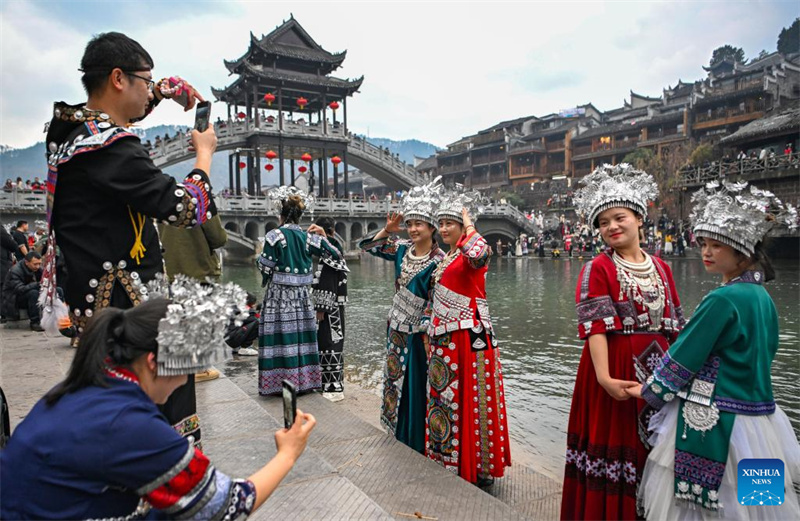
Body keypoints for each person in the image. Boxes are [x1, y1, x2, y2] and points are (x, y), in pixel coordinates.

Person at [0, 281, 316, 520]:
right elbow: (227, 505)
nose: (184, 382)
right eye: (186, 369)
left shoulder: (89, 385)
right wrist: (288, 454)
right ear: (154, 361)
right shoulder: (128, 424)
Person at [39, 32, 216, 447]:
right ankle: (172, 488)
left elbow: (129, 111)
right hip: (132, 311)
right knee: (162, 406)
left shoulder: (70, 131)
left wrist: (163, 90)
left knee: (110, 405)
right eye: (144, 81)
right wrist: (204, 154)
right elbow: (185, 208)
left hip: (96, 307)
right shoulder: (112, 149)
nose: (147, 93)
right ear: (118, 78)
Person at [629, 181, 800, 519]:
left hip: (718, 423)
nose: (706, 252)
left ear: (743, 251)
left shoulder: (723, 299)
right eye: (704, 243)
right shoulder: (762, 297)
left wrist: (647, 390)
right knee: (761, 505)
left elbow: (682, 357)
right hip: (761, 423)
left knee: (706, 508)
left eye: (717, 246)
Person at [561, 164, 685, 520]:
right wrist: (603, 377)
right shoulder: (597, 267)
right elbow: (595, 327)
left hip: (658, 373)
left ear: (639, 218)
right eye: (603, 223)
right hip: (613, 369)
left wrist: (678, 376)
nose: (612, 227)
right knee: (619, 448)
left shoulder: (662, 267)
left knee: (658, 447)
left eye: (620, 218)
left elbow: (675, 326)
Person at [427, 192, 510, 487]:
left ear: (462, 228)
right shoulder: (446, 258)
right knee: (448, 400)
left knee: (474, 400)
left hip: (470, 337)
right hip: (445, 340)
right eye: (442, 224)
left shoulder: (470, 254)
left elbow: (480, 253)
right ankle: (450, 458)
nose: (446, 229)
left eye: (452, 223)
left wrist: (470, 225)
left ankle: (479, 466)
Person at [358, 178, 445, 453]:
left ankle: (417, 439)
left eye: (419, 223)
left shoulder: (440, 261)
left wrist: (425, 329)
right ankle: (398, 431)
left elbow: (436, 303)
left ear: (432, 227)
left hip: (419, 335)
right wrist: (387, 229)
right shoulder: (402, 249)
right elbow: (367, 247)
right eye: (410, 224)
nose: (413, 229)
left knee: (416, 386)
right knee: (395, 381)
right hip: (395, 329)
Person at [256, 187, 342, 396]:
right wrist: (324, 237)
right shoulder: (308, 238)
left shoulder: (274, 235)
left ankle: (277, 383)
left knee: (281, 337)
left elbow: (265, 266)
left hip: (279, 295)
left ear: (281, 215)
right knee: (302, 338)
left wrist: (264, 270)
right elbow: (336, 255)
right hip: (302, 296)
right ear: (300, 216)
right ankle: (304, 382)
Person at [159, 213, 228, 382]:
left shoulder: (164, 194)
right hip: (199, 269)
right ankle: (199, 369)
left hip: (173, 267)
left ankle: (183, 365)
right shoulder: (199, 195)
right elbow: (219, 238)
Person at [311, 216, 349, 402]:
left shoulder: (328, 251)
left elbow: (326, 279)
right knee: (332, 342)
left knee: (329, 343)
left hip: (329, 306)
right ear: (334, 230)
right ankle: (330, 384)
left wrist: (321, 308)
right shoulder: (334, 247)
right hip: (336, 304)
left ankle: (333, 387)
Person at [2, 251, 44, 331]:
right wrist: (36, 285)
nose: (38, 266)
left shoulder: (38, 269)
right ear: (27, 262)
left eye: (39, 264)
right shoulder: (15, 271)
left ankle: (61, 319)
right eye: (35, 264)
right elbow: (20, 289)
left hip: (25, 293)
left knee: (57, 290)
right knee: (33, 293)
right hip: (13, 299)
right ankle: (35, 323)